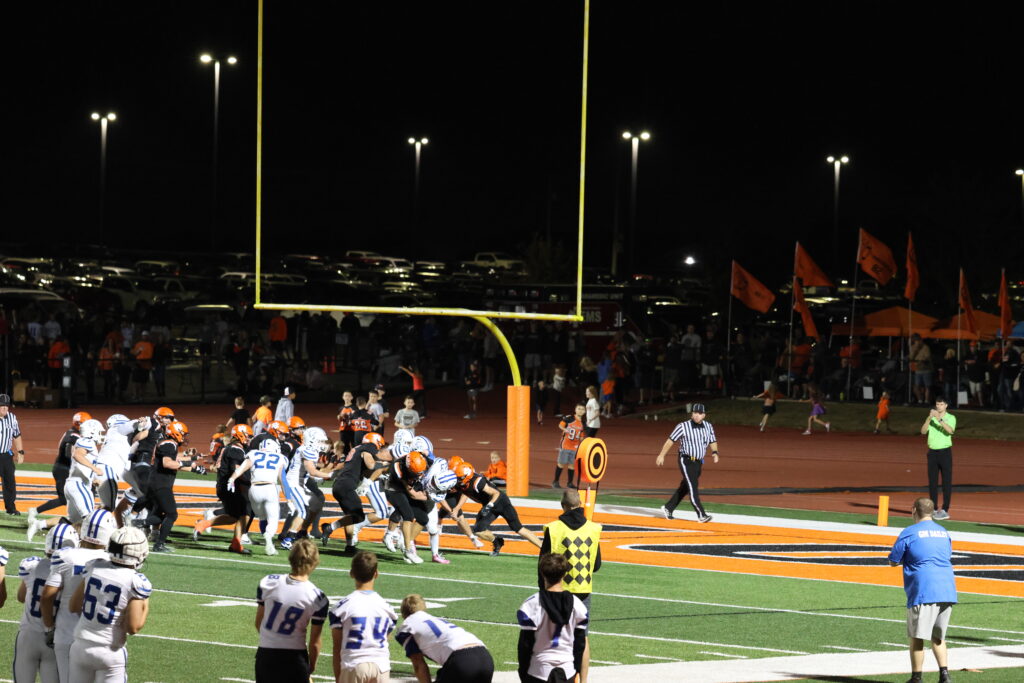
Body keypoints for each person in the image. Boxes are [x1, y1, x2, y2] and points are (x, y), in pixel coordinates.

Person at [68, 526, 152, 683]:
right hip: (109, 651)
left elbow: (73, 606)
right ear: (140, 554)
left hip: (80, 647)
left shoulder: (93, 566)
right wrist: (145, 602)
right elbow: (133, 627)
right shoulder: (135, 581)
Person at [41, 509, 116, 683]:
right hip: (103, 639)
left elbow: (47, 597)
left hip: (67, 633)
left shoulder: (65, 556)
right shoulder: (112, 561)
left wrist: (49, 627)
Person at [888, 497, 957, 683]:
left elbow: (893, 560)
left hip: (924, 589)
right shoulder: (943, 532)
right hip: (947, 588)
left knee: (917, 637)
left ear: (913, 511)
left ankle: (916, 677)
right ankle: (944, 675)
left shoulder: (909, 532)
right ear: (933, 512)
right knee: (938, 637)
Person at [540, 489, 601, 683]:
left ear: (563, 506)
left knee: (555, 635)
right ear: (580, 504)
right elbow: (596, 565)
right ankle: (583, 680)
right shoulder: (593, 528)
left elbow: (543, 564)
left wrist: (543, 591)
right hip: (583, 590)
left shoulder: (554, 528)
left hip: (558, 590)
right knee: (583, 637)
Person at [254, 539, 329, 683]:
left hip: (266, 655)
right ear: (315, 562)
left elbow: (259, 623)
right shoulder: (317, 597)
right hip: (295, 658)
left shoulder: (268, 582)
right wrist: (311, 665)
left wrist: (272, 640)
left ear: (291, 558)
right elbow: (315, 642)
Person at [15, 522, 80, 683]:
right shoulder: (71, 573)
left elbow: (21, 597)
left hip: (28, 634)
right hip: (54, 637)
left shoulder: (31, 565)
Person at [516, 553, 588, 683]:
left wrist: (523, 672)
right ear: (564, 574)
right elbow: (579, 644)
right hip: (568, 670)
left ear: (542, 573)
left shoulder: (531, 604)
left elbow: (525, 645)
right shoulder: (578, 605)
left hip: (538, 670)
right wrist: (576, 669)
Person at [329, 551, 397, 683]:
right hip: (381, 666)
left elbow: (337, 647)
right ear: (376, 574)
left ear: (351, 573)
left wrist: (338, 677)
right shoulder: (387, 608)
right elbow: (385, 639)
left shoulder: (341, 608)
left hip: (354, 664)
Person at [396, 593, 494, 683]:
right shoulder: (436, 620)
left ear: (403, 612)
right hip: (485, 658)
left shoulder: (407, 627)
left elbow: (418, 664)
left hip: (461, 661)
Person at [451, 461, 542, 556]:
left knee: (518, 528)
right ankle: (497, 541)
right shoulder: (461, 483)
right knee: (478, 530)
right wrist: (456, 508)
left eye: (460, 477)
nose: (458, 480)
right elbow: (465, 492)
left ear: (468, 475)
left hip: (501, 502)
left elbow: (496, 493)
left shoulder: (478, 482)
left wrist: (488, 506)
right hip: (489, 505)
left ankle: (544, 548)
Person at [148, 420, 207, 553]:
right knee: (172, 514)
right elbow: (168, 463)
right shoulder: (170, 444)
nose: (184, 437)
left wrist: (193, 466)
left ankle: (141, 524)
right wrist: (190, 464)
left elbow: (175, 463)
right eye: (183, 434)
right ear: (176, 433)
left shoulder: (168, 444)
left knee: (160, 512)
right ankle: (158, 543)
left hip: (158, 482)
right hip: (161, 484)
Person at [655, 403, 719, 523]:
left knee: (686, 486)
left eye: (699, 413)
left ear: (704, 415)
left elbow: (713, 440)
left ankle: (669, 507)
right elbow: (670, 441)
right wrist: (662, 455)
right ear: (691, 414)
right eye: (695, 413)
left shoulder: (708, 426)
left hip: (699, 462)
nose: (697, 415)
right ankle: (701, 514)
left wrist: (715, 452)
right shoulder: (683, 426)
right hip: (686, 460)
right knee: (693, 486)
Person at [27, 411, 90, 530]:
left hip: (62, 468)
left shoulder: (70, 432)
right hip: (63, 469)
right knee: (65, 499)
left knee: (72, 497)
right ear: (80, 424)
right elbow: (68, 454)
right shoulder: (74, 436)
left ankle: (76, 521)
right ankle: (35, 512)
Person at [229, 439, 288, 556]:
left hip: (254, 489)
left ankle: (267, 536)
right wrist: (289, 498)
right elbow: (282, 480)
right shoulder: (280, 457)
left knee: (262, 517)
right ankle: (269, 537)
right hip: (270, 488)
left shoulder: (254, 453)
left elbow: (242, 468)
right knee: (273, 518)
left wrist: (232, 478)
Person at [920, 396, 957, 520]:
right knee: (932, 482)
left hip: (945, 453)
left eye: (941, 404)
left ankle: (945, 509)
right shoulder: (931, 418)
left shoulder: (951, 418)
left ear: (946, 405)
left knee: (946, 482)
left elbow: (950, 431)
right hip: (932, 453)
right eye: (937, 404)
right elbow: (923, 431)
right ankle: (934, 508)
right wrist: (929, 419)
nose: (938, 406)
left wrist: (939, 419)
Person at [0, 393, 26, 515]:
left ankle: (10, 508)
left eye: (6, 405)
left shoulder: (12, 417)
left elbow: (17, 435)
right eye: (2, 405)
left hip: (6, 455)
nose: (5, 408)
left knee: (10, 483)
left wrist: (20, 451)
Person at [553, 403, 585, 489]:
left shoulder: (583, 423)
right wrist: (565, 429)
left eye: (582, 409)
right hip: (565, 445)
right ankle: (555, 481)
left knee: (572, 465)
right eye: (579, 408)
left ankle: (570, 483)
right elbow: (560, 425)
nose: (580, 411)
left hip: (575, 447)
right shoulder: (569, 418)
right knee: (561, 463)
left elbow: (581, 435)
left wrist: (583, 444)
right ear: (575, 409)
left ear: (585, 411)